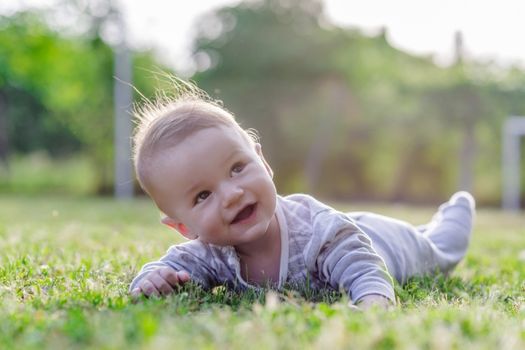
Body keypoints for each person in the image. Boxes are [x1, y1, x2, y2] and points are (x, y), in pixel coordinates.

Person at [129, 83, 475, 309]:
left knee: (440, 249)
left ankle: (456, 213)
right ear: (183, 228)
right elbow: (169, 268)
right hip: (347, 227)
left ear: (262, 161)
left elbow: (367, 273)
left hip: (382, 241)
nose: (232, 194)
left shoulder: (318, 234)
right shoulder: (209, 252)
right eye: (203, 195)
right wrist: (154, 280)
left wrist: (371, 306)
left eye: (237, 168)